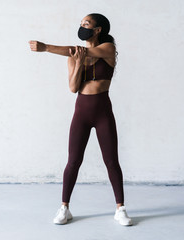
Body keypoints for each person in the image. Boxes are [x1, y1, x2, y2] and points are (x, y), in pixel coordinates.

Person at [29, 13, 132, 226]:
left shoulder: (108, 49)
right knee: (73, 161)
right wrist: (77, 64)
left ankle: (120, 209)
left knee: (111, 161)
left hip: (103, 112)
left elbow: (81, 51)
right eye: (81, 23)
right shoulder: (73, 55)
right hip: (81, 113)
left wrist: (46, 47)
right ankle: (64, 208)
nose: (82, 26)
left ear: (98, 29)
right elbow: (73, 88)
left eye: (87, 24)